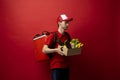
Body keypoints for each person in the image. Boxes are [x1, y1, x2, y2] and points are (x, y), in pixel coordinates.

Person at [42, 14, 73, 80]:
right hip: (56, 66)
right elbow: (44, 50)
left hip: (66, 66)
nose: (68, 24)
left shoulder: (67, 35)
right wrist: (56, 50)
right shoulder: (53, 35)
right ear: (59, 23)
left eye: (68, 22)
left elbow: (69, 49)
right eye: (66, 22)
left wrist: (72, 48)